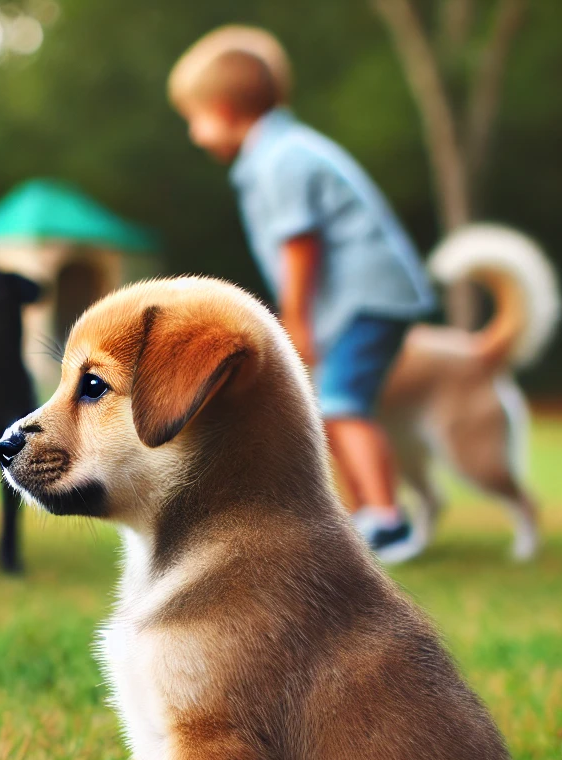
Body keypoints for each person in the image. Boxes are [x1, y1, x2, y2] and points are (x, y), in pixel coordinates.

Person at [168, 26, 437, 563]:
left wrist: (295, 316)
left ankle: (389, 521)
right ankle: (366, 517)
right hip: (358, 299)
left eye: (193, 119)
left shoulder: (281, 158)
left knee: (341, 402)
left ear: (222, 109)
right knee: (328, 404)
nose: (195, 135)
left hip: (368, 296)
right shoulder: (274, 153)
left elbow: (300, 244)